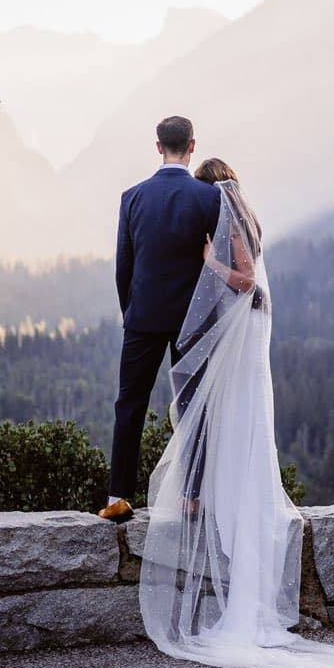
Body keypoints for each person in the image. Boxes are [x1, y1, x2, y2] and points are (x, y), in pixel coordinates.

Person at [136, 158, 334, 668]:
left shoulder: (228, 222)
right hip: (247, 337)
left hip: (241, 341)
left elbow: (244, 280)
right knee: (232, 421)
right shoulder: (245, 214)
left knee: (228, 418)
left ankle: (217, 506)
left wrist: (208, 262)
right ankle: (217, 497)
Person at [99, 116, 221, 525]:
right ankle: (192, 499)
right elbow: (216, 264)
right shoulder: (208, 199)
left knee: (129, 404)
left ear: (158, 147)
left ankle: (118, 496)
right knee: (193, 405)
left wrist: (130, 312)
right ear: (192, 146)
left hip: (143, 318)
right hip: (193, 320)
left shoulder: (132, 197)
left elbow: (124, 266)